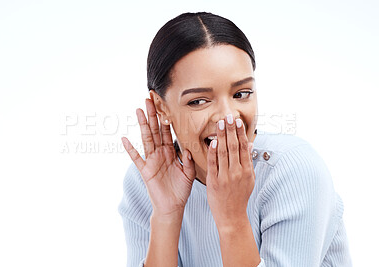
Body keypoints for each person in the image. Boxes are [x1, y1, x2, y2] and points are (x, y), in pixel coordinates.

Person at [118, 12, 352, 267]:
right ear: (161, 108)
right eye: (198, 100)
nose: (229, 117)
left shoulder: (293, 170)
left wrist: (232, 220)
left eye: (242, 93)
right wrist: (166, 216)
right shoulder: (148, 182)